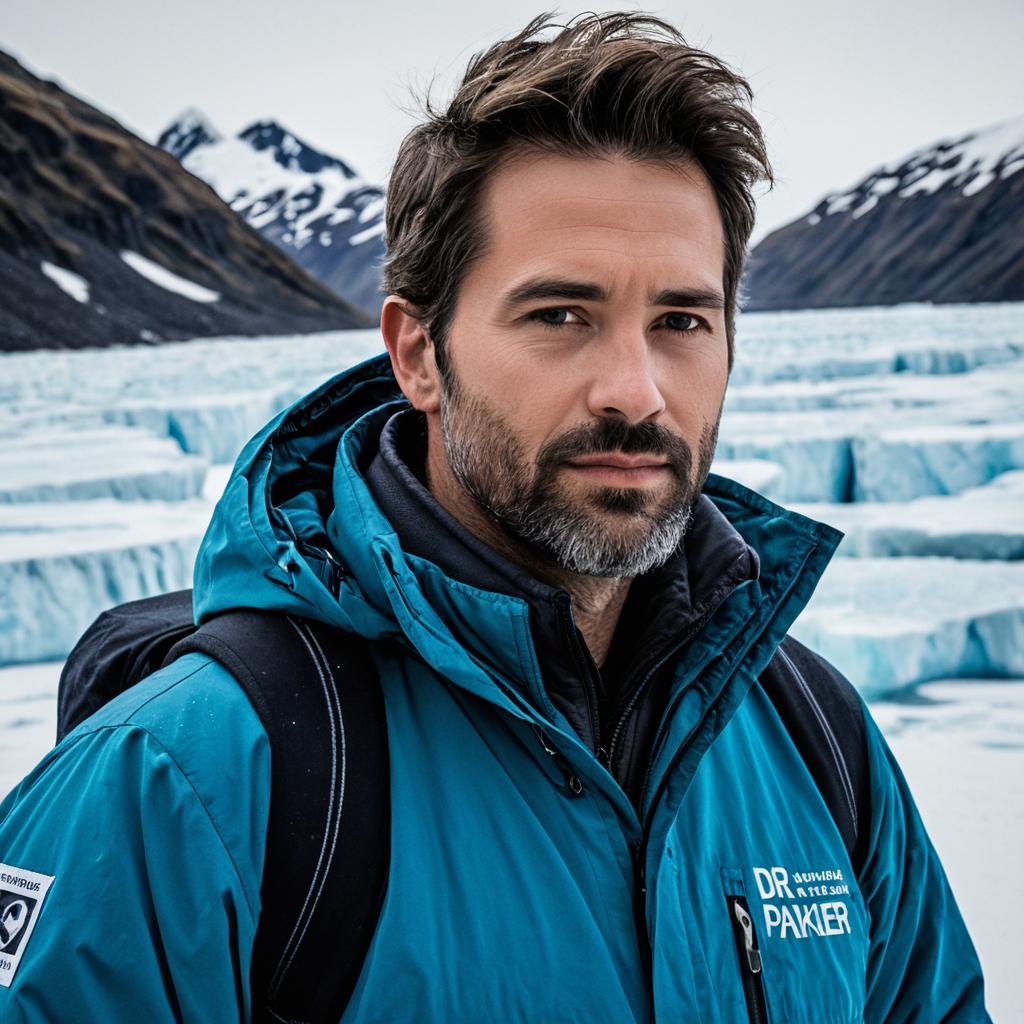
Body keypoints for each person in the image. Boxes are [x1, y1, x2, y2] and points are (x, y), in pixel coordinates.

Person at [0, 12, 987, 1023]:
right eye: (560, 314)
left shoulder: (818, 745)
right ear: (419, 352)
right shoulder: (192, 781)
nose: (634, 391)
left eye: (681, 320)